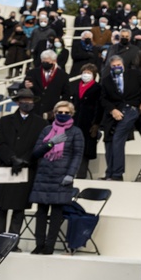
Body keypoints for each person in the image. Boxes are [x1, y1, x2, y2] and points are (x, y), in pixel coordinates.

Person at [0, 89, 47, 243]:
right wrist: (12, 158)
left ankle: (12, 241)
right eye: (24, 100)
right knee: (1, 206)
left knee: (19, 207)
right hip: (5, 165)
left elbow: (39, 146)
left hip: (27, 167)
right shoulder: (5, 120)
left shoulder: (41, 123)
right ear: (17, 102)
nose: (27, 103)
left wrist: (25, 160)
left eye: (30, 100)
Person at [28, 100, 83, 254]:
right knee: (41, 212)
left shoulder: (75, 132)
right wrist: (50, 144)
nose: (63, 115)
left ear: (72, 114)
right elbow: (36, 153)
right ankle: (39, 244)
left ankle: (50, 246)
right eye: (60, 112)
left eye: (67, 113)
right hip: (44, 174)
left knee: (56, 213)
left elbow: (77, 155)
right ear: (54, 113)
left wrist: (71, 174)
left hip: (62, 176)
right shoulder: (46, 130)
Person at [98, 55, 141, 181]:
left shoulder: (134, 74)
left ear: (123, 65)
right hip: (113, 112)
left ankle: (117, 174)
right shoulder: (106, 80)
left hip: (131, 110)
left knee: (118, 139)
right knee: (109, 140)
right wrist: (112, 110)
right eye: (114, 66)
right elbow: (103, 98)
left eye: (119, 65)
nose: (117, 67)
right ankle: (109, 173)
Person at [70, 63, 102, 178]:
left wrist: (96, 124)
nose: (86, 75)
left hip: (89, 123)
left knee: (84, 151)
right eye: (84, 72)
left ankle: (81, 176)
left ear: (94, 75)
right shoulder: (75, 86)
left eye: (89, 73)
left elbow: (99, 107)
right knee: (72, 149)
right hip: (74, 122)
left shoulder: (98, 88)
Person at [23, 50, 71, 120]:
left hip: (51, 112)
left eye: (47, 62)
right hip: (34, 110)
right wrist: (25, 86)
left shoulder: (63, 75)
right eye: (43, 61)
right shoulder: (32, 73)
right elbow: (21, 87)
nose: (45, 63)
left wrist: (58, 109)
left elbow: (66, 94)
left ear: (54, 61)